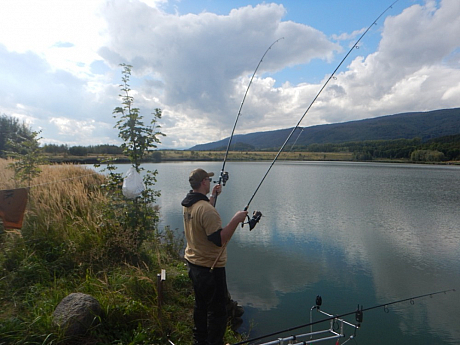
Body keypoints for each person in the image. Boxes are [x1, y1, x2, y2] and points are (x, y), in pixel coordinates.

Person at [181, 168, 247, 345]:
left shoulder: (189, 204)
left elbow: (203, 217)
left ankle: (199, 340)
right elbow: (219, 239)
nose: (210, 182)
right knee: (217, 312)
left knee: (201, 306)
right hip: (210, 268)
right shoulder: (206, 210)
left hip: (193, 264)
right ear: (203, 182)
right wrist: (236, 219)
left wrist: (213, 196)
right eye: (208, 180)